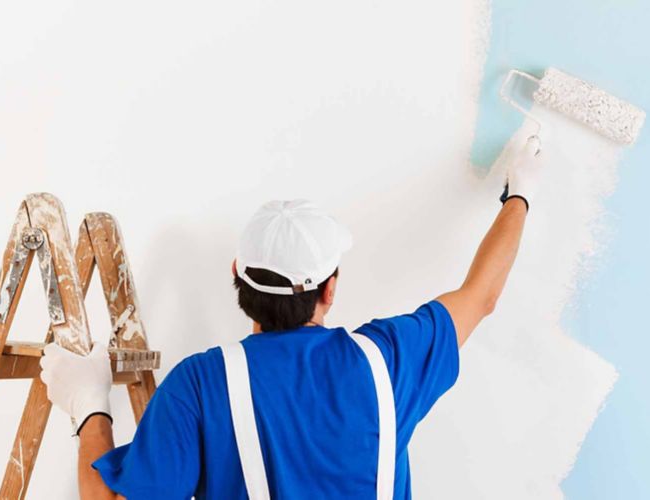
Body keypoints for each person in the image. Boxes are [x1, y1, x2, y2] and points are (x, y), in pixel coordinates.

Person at [39, 137, 542, 499]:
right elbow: (481, 296)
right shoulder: (387, 360)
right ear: (330, 288)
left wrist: (89, 406)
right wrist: (519, 193)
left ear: (237, 275)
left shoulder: (201, 384)